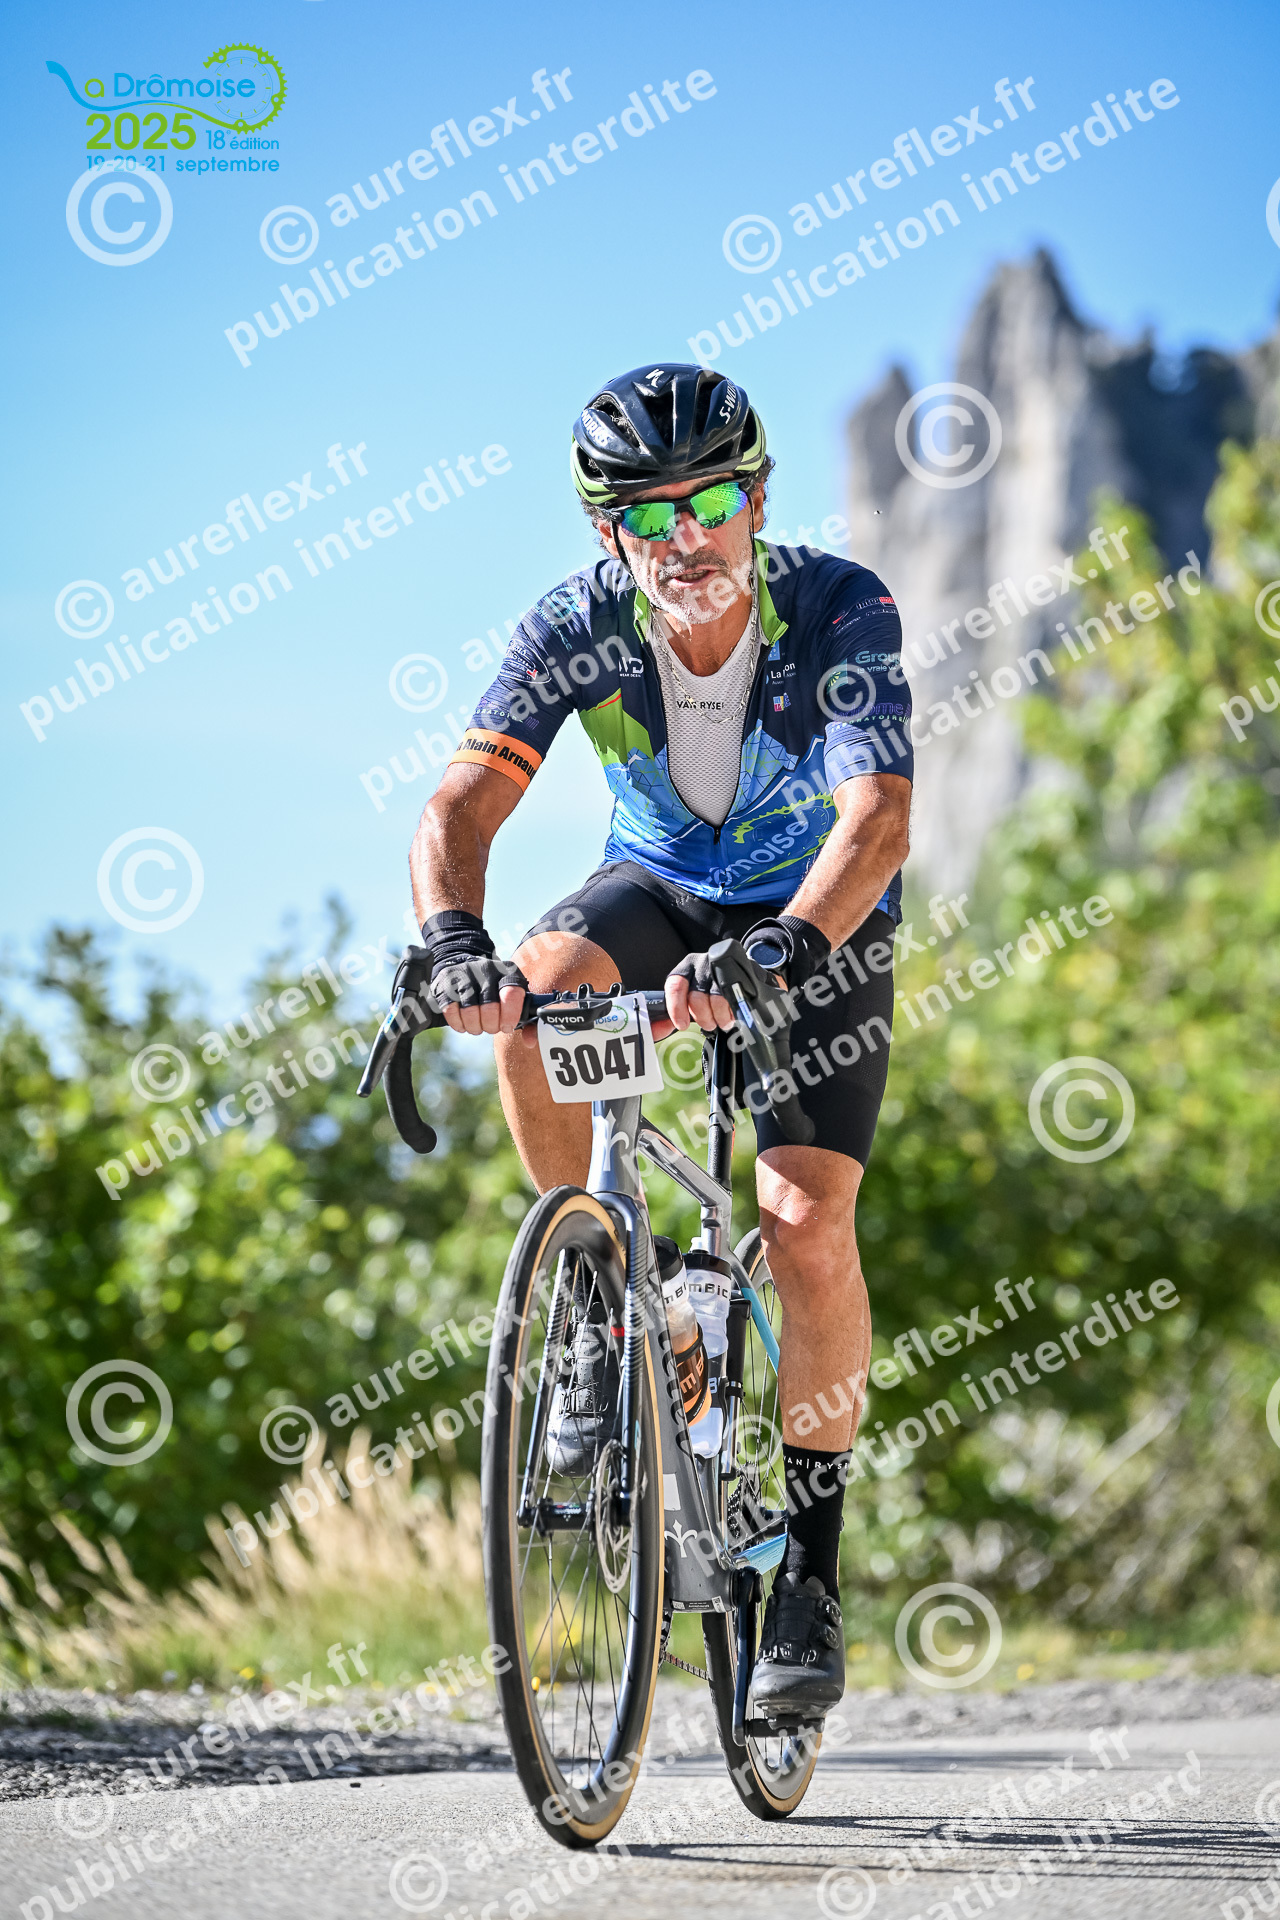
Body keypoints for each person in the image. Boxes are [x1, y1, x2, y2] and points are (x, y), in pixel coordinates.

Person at [407, 364, 912, 1721]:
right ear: (606, 531)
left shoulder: (838, 604)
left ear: (758, 500)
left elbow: (875, 818)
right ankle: (595, 1292)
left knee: (803, 1222)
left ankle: (809, 1572)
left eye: (709, 502)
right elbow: (459, 807)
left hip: (817, 910)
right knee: (534, 990)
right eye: (644, 513)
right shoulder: (576, 623)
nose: (682, 536)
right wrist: (451, 939)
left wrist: (788, 949)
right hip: (663, 888)